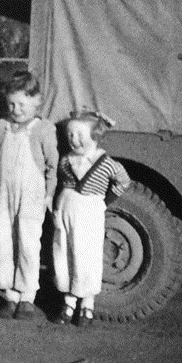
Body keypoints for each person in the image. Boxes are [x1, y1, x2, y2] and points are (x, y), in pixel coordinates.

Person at [52, 110, 130, 326]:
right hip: (65, 212)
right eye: (70, 135)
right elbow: (61, 183)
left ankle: (87, 304)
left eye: (79, 135)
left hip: (89, 214)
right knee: (65, 254)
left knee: (87, 257)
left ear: (95, 137)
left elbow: (123, 181)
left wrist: (105, 201)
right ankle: (68, 302)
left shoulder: (105, 162)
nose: (73, 140)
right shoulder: (66, 160)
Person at [0, 71, 59, 320]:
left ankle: (27, 296)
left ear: (37, 101)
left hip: (32, 195)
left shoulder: (43, 129)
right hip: (5, 195)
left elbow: (53, 165)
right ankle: (10, 295)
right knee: (2, 242)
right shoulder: (2, 126)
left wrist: (49, 194)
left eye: (21, 104)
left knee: (28, 245)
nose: (16, 109)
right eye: (11, 103)